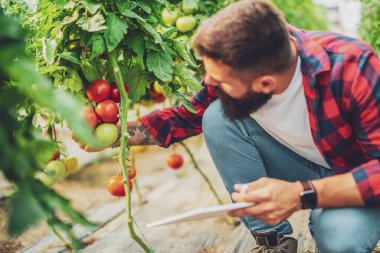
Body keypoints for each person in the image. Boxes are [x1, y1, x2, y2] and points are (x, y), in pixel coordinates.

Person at [81, 0, 380, 252]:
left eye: (220, 81)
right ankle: (275, 242)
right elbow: (187, 116)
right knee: (216, 115)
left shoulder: (352, 68)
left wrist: (301, 194)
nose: (209, 84)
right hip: (302, 163)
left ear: (266, 84)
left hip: (355, 178)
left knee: (338, 236)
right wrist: (116, 135)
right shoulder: (245, 61)